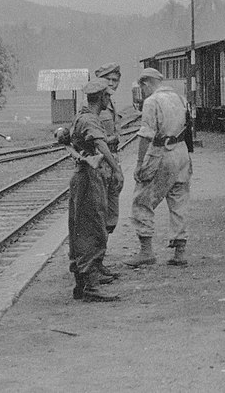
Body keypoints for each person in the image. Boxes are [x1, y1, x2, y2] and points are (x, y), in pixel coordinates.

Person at [125, 68, 192, 268]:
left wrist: (140, 164)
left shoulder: (152, 101)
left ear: (146, 83)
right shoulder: (180, 98)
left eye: (142, 87)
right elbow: (189, 127)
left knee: (142, 200)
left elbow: (146, 134)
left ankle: (146, 251)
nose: (142, 92)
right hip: (182, 152)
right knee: (179, 201)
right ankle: (180, 253)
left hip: (161, 152)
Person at [67, 80, 121, 302]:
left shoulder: (83, 116)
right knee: (93, 228)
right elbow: (100, 144)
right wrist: (117, 170)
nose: (110, 99)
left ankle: (82, 283)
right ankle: (91, 286)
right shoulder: (90, 119)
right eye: (107, 96)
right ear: (102, 98)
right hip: (90, 177)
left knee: (80, 228)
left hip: (82, 175)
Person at [93, 62, 125, 279]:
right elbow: (98, 140)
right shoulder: (97, 105)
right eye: (108, 80)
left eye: (115, 80)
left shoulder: (109, 104)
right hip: (103, 165)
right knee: (101, 215)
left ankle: (99, 261)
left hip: (111, 162)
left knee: (110, 216)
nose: (112, 84)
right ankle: (95, 264)